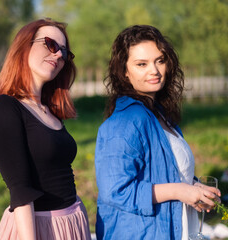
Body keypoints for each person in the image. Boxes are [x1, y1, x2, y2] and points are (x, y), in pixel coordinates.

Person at [95, 25, 221, 240]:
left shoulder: (159, 115)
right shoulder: (125, 122)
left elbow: (163, 170)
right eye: (141, 64)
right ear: (124, 71)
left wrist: (193, 186)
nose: (154, 70)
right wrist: (179, 191)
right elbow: (116, 191)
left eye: (159, 61)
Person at [0, 18, 91, 240]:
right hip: (35, 228)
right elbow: (21, 191)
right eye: (51, 44)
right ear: (24, 46)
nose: (59, 55)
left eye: (65, 52)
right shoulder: (6, 107)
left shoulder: (48, 110)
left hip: (72, 223)